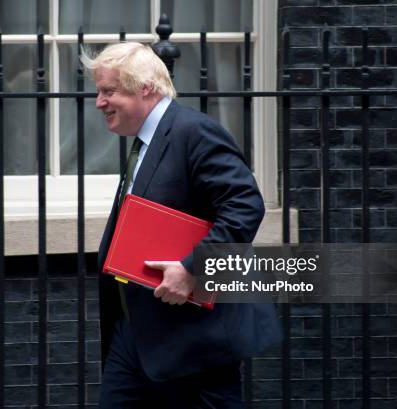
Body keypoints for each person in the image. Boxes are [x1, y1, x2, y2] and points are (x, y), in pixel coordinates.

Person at [81, 42, 281, 409]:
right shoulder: (144, 143)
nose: (99, 102)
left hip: (195, 338)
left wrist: (193, 269)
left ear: (144, 87)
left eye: (108, 91)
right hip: (137, 331)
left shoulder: (194, 131)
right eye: (99, 92)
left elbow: (245, 205)